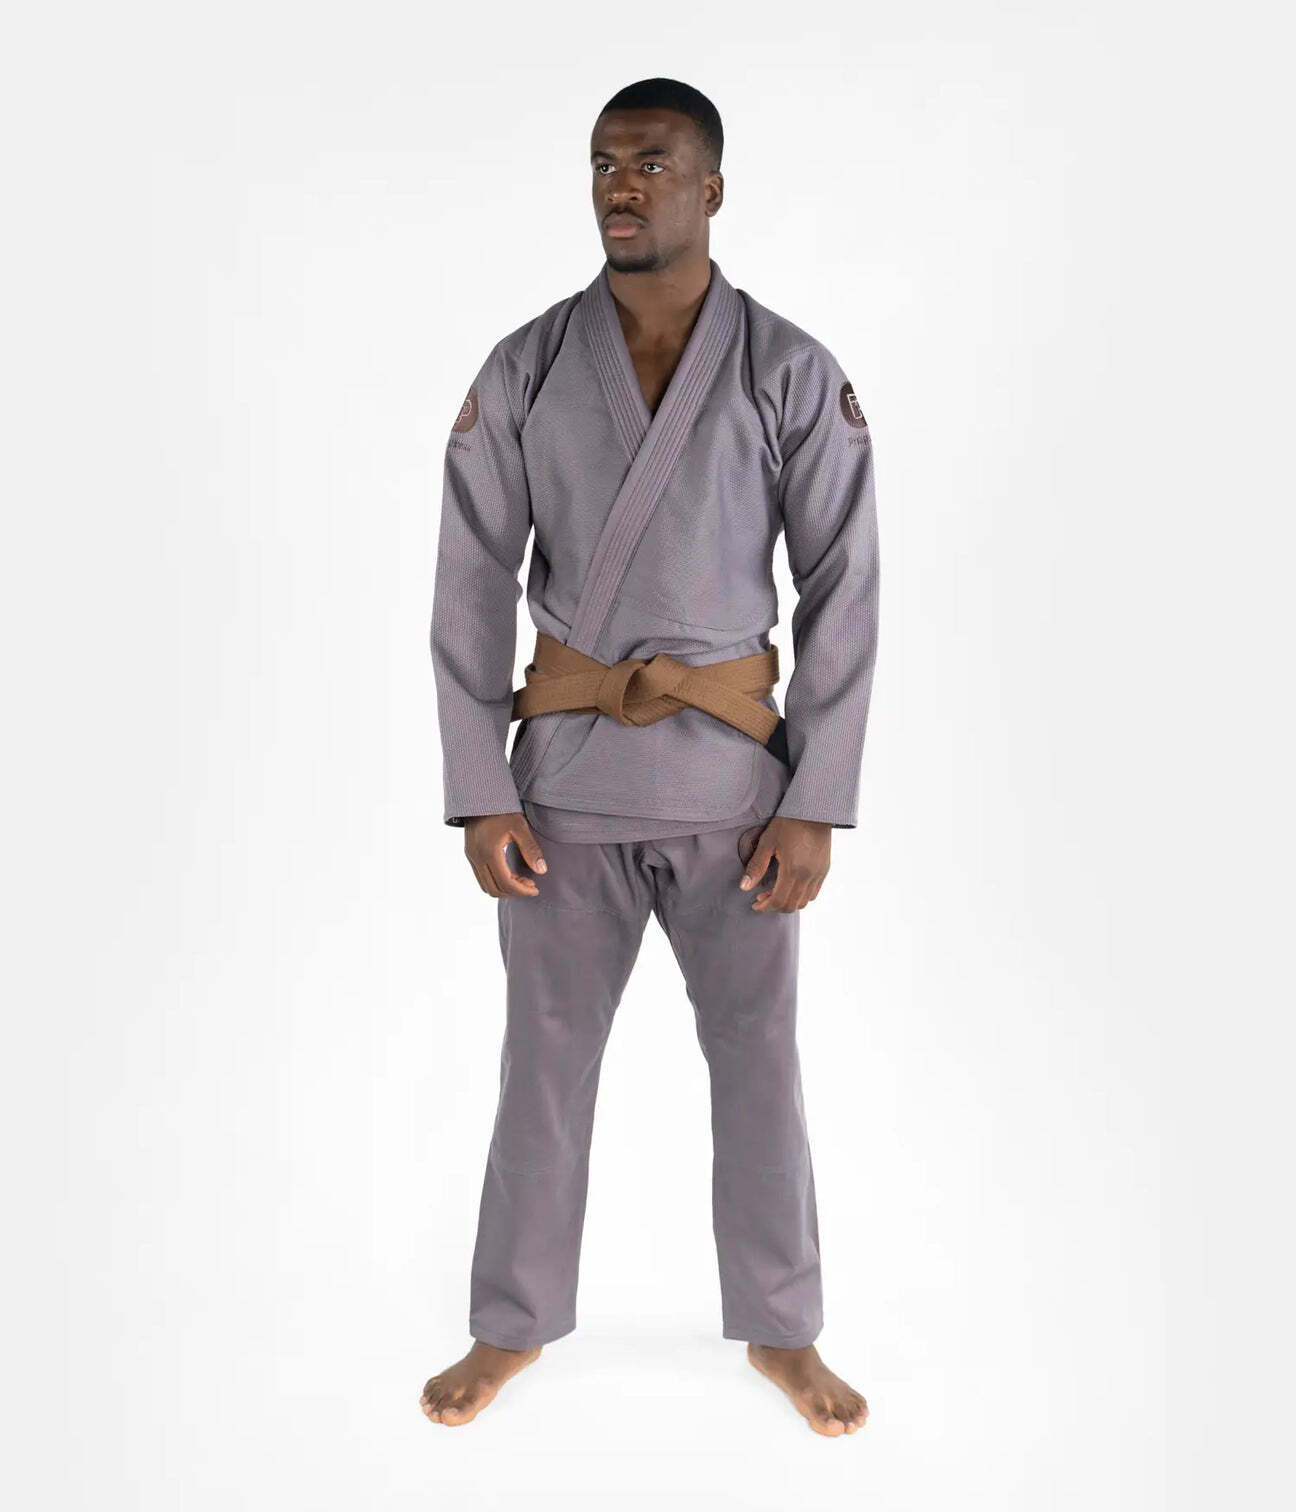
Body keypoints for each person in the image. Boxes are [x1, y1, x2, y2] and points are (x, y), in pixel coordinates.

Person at [421, 76, 879, 1438]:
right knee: (543, 1068)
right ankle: (510, 1324)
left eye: (653, 163)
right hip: (564, 789)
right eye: (605, 164)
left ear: (712, 187)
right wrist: (480, 788)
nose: (622, 184)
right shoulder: (527, 367)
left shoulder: (789, 368)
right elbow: (469, 581)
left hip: (737, 794)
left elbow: (844, 585)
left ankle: (783, 1331)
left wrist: (817, 801)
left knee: (761, 1068)